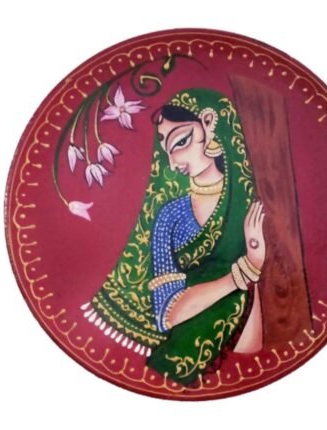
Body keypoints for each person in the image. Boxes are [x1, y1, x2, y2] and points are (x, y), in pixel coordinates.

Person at [81, 88, 266, 386]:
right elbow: (168, 314)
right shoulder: (171, 217)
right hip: (183, 361)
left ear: (209, 123)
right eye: (166, 148)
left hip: (250, 357)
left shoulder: (257, 203)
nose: (173, 161)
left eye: (181, 142)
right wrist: (247, 269)